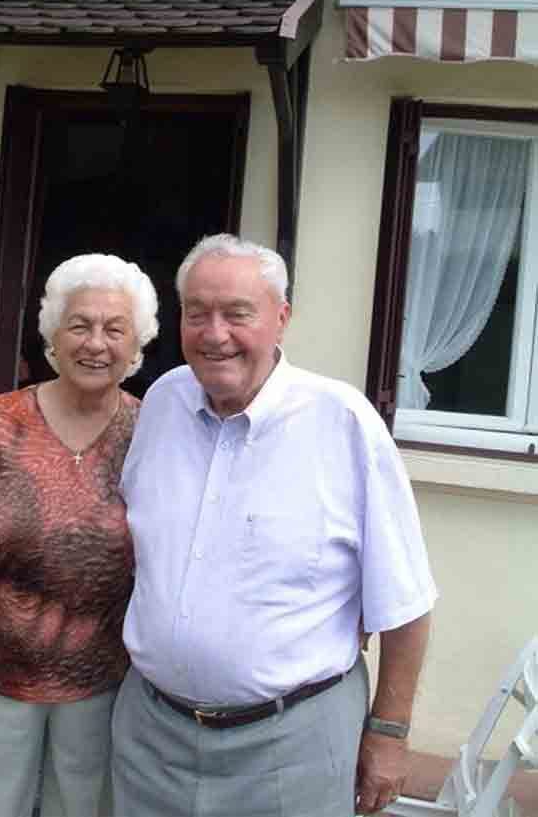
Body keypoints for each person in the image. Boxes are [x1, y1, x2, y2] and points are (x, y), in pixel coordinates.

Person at [113, 233, 437, 817]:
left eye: (237, 314)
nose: (215, 334)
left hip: (294, 747)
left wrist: (389, 733)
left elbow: (406, 604)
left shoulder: (343, 423)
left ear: (281, 319)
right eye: (197, 313)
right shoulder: (161, 404)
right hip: (152, 740)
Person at [0, 253, 158, 817]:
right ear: (53, 336)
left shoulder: (154, 434)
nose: (95, 343)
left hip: (103, 682)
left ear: (136, 346)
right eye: (79, 325)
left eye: (115, 329)